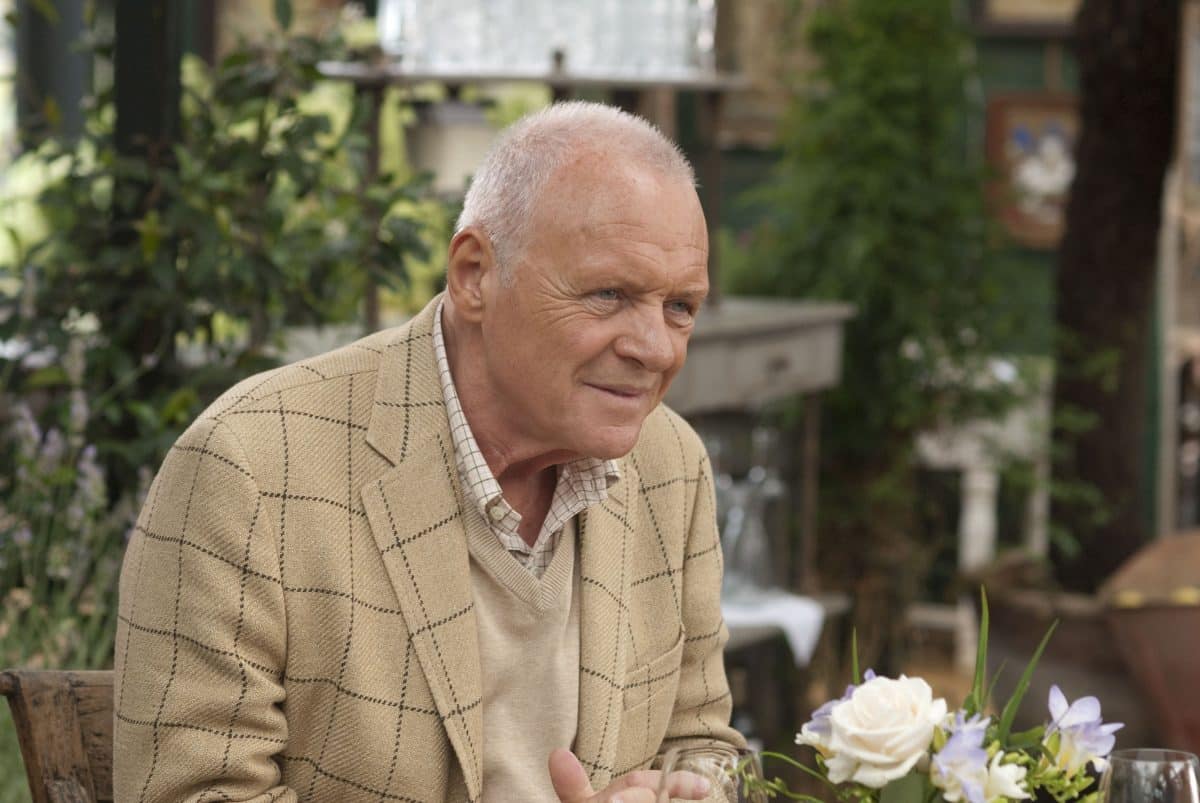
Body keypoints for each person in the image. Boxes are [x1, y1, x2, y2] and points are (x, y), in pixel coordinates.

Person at [114, 100, 744, 802]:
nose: (655, 348)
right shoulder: (249, 468)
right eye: (608, 294)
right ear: (474, 274)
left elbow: (706, 741)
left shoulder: (670, 463)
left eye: (680, 307)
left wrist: (694, 792)